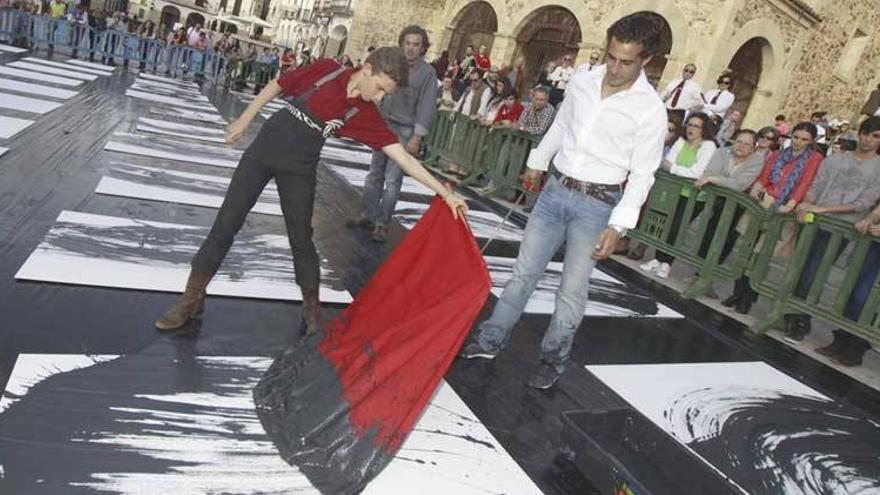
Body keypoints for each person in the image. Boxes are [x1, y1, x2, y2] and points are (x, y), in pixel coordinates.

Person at [154, 47, 467, 334]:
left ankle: (312, 308)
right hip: (262, 151)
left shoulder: (366, 115)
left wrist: (444, 192)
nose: (381, 98)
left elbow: (402, 157)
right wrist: (245, 119)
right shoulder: (327, 69)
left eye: (387, 93)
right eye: (382, 88)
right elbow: (279, 83)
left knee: (301, 237)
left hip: (300, 168)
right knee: (226, 223)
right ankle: (191, 299)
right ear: (367, 69)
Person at [459, 12, 668, 389]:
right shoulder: (584, 82)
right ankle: (489, 340)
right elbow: (560, 127)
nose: (615, 68)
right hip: (555, 190)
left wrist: (618, 226)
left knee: (572, 288)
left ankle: (553, 360)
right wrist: (537, 163)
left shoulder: (651, 110)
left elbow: (643, 175)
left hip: (598, 205)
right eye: (611, 57)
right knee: (523, 273)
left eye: (626, 62)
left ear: (646, 60)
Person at [782, 117, 880, 343]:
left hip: (841, 229)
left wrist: (823, 209)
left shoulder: (877, 168)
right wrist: (808, 203)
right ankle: (791, 314)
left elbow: (865, 203)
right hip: (813, 221)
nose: (868, 139)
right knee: (801, 268)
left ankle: (800, 322)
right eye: (866, 133)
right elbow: (817, 185)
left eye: (875, 136)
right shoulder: (836, 159)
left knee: (814, 273)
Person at [349, 26, 439, 243]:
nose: (411, 48)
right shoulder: (392, 65)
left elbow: (426, 106)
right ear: (402, 43)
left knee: (393, 179)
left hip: (405, 130)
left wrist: (417, 137)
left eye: (416, 44)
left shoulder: (428, 73)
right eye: (407, 43)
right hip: (384, 123)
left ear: (423, 47)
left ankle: (382, 224)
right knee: (374, 173)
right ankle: (368, 215)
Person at [725, 122, 825, 314]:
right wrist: (757, 187)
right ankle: (737, 291)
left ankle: (748, 296)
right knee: (748, 248)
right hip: (766, 201)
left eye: (804, 139)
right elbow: (765, 175)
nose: (798, 142)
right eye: (796, 137)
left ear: (811, 141)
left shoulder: (814, 159)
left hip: (785, 207)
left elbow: (806, 182)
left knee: (763, 253)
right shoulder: (780, 155)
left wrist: (792, 203)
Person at [640, 112, 717, 278]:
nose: (691, 128)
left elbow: (697, 172)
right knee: (666, 224)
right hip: (674, 191)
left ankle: (667, 262)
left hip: (693, 196)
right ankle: (657, 259)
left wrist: (674, 169)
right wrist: (678, 170)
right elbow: (667, 160)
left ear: (703, 130)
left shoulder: (708, 146)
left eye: (696, 126)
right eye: (689, 124)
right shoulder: (681, 141)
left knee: (678, 226)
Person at [689, 129, 764, 289]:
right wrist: (713, 178)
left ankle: (708, 276)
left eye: (746, 144)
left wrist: (714, 179)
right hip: (715, 201)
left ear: (753, 147)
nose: (741, 146)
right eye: (739, 141)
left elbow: (740, 184)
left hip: (737, 206)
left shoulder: (757, 161)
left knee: (726, 240)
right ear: (733, 141)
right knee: (708, 234)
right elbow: (708, 173)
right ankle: (699, 273)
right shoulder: (722, 152)